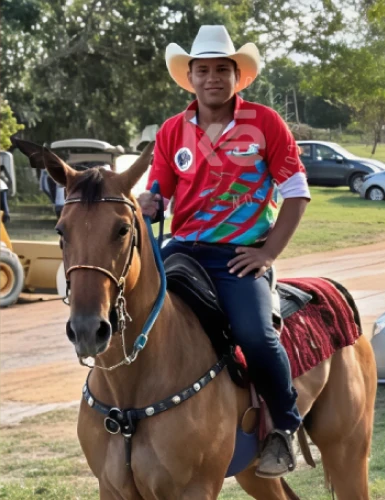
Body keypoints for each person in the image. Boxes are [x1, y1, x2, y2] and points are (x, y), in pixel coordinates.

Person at [137, 25, 310, 479]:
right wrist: (148, 203)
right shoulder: (173, 131)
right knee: (139, 318)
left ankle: (283, 428)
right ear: (189, 77)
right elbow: (162, 194)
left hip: (240, 256)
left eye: (221, 69)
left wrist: (268, 254)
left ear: (238, 76)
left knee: (254, 335)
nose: (212, 77)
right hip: (184, 251)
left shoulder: (266, 123)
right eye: (203, 70)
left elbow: (296, 192)